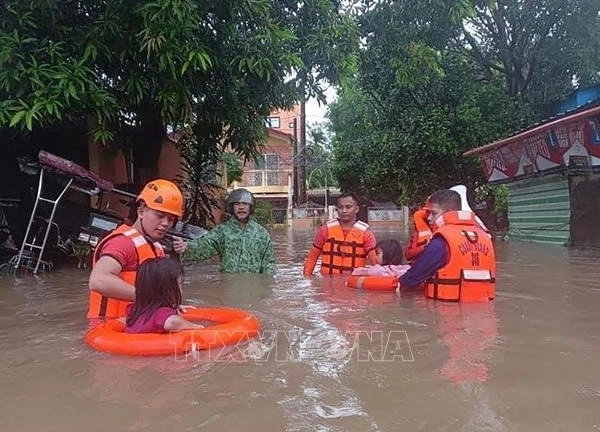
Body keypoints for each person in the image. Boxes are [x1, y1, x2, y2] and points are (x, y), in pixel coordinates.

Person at [88, 179, 188, 319]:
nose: (165, 223)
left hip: (135, 327)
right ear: (141, 212)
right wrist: (151, 299)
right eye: (159, 215)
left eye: (171, 219)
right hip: (109, 329)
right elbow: (98, 281)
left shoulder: (156, 247)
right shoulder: (122, 243)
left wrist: (168, 305)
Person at [399, 189, 496, 301]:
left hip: (447, 313)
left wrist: (397, 283)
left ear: (449, 212)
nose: (429, 218)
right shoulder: (485, 237)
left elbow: (411, 280)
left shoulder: (442, 241)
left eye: (434, 213)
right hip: (482, 312)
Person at [185, 188, 276, 275]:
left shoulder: (261, 233)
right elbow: (204, 246)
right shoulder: (222, 231)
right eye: (237, 204)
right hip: (228, 286)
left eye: (245, 203)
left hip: (253, 287)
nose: (241, 207)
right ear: (232, 207)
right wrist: (185, 247)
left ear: (250, 207)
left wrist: (265, 285)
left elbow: (269, 263)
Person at [303, 192, 378, 276]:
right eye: (340, 207)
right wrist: (307, 278)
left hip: (352, 283)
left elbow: (376, 263)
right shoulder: (324, 230)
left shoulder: (366, 235)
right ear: (337, 209)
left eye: (348, 207)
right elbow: (312, 258)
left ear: (356, 209)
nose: (344, 211)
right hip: (327, 283)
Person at [125, 256, 204, 333]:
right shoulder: (162, 313)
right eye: (180, 283)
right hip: (154, 346)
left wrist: (174, 306)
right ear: (166, 289)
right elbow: (172, 323)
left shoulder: (134, 310)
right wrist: (197, 327)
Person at [404, 197, 434, 263]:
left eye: (433, 213)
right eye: (428, 212)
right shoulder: (418, 232)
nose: (429, 217)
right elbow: (408, 254)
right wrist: (424, 247)